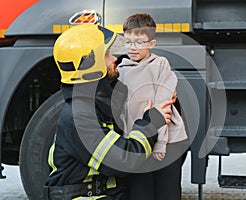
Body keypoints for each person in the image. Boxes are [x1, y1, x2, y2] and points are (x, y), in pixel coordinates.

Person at [43, 23, 175, 200]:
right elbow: (124, 160)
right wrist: (150, 122)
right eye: (106, 54)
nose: (114, 59)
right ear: (91, 64)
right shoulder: (79, 117)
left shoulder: (95, 104)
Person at [117, 13, 188, 200]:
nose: (133, 47)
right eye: (128, 42)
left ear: (151, 44)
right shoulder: (120, 70)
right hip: (137, 142)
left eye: (140, 42)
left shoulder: (160, 65)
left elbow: (162, 104)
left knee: (167, 191)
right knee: (140, 192)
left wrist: (160, 143)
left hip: (165, 142)